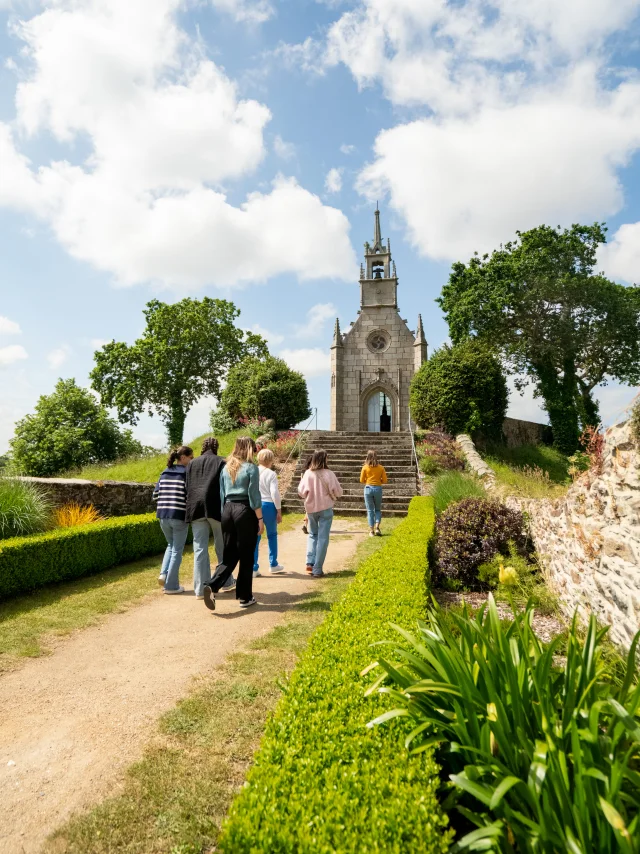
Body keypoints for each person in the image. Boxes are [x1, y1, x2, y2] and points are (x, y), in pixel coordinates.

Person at [203, 437, 263, 612]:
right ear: (250, 449)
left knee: (229, 555)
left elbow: (222, 495)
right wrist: (260, 519)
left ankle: (212, 585)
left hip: (227, 510)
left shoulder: (226, 468)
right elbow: (254, 496)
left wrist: (225, 514)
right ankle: (245, 596)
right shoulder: (251, 468)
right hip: (244, 510)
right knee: (246, 555)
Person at [185, 437, 235, 600]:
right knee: (222, 547)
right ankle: (225, 582)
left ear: (203, 447)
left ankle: (200, 589)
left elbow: (188, 486)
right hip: (216, 507)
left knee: (200, 548)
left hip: (195, 508)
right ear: (216, 447)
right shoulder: (222, 461)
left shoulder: (192, 463)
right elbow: (226, 486)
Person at [154, 445, 194, 594]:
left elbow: (155, 495)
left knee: (170, 545)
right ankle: (171, 586)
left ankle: (163, 574)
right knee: (177, 549)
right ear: (183, 458)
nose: (192, 461)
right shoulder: (187, 474)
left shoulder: (164, 473)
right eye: (191, 458)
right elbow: (190, 496)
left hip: (163, 515)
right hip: (178, 515)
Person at [297, 450, 343, 578]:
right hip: (326, 508)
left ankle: (309, 562)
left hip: (311, 509)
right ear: (324, 459)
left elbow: (301, 492)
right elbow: (338, 492)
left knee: (313, 534)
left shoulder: (308, 473)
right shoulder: (329, 474)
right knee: (323, 538)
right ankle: (317, 568)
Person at [253, 448, 285, 577]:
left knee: (256, 536)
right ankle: (273, 564)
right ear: (270, 460)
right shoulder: (271, 474)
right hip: (269, 505)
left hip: (256, 506)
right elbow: (274, 493)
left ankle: (253, 567)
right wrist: (279, 510)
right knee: (272, 535)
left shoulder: (253, 471)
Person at [360, 449, 388, 537]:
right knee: (378, 509)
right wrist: (378, 481)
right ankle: (377, 528)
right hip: (378, 488)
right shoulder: (381, 467)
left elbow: (361, 480)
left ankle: (371, 530)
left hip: (368, 488)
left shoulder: (365, 467)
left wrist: (368, 480)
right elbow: (385, 480)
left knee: (370, 510)